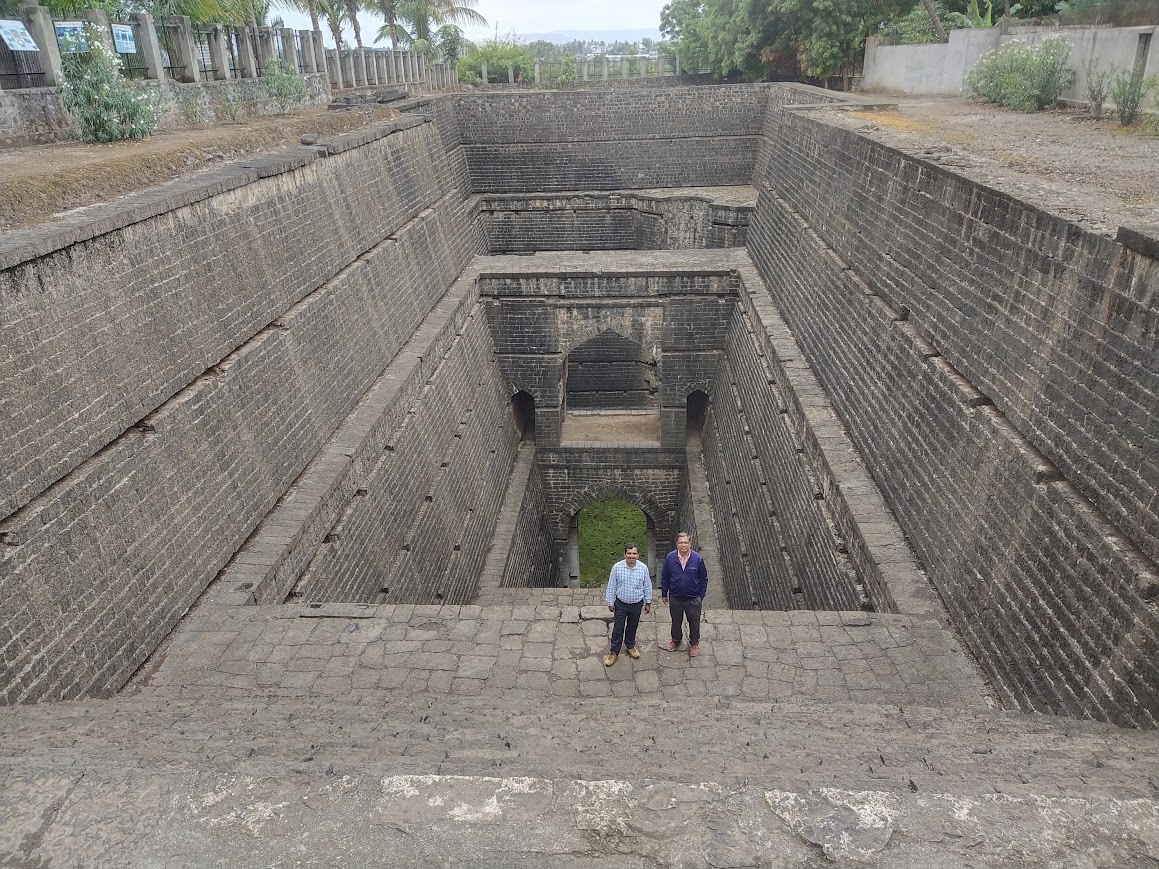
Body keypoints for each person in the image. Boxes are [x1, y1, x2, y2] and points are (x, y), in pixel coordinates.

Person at [603, 543, 652, 666]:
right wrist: (610, 601)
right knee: (618, 628)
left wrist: (648, 601)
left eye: (634, 553)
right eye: (629, 553)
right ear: (625, 554)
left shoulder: (643, 568)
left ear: (638, 555)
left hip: (636, 604)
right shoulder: (617, 567)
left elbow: (647, 585)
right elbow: (611, 585)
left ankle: (630, 646)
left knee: (632, 626)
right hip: (621, 604)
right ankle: (614, 652)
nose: (631, 556)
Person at [660, 531, 708, 657]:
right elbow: (665, 576)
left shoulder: (697, 559)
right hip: (675, 597)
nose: (683, 545)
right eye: (681, 542)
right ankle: (676, 640)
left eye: (686, 542)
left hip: (693, 599)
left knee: (694, 622)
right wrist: (664, 593)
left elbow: (703, 578)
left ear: (690, 544)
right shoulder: (670, 558)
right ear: (677, 544)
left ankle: (694, 643)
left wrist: (700, 595)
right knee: (676, 621)